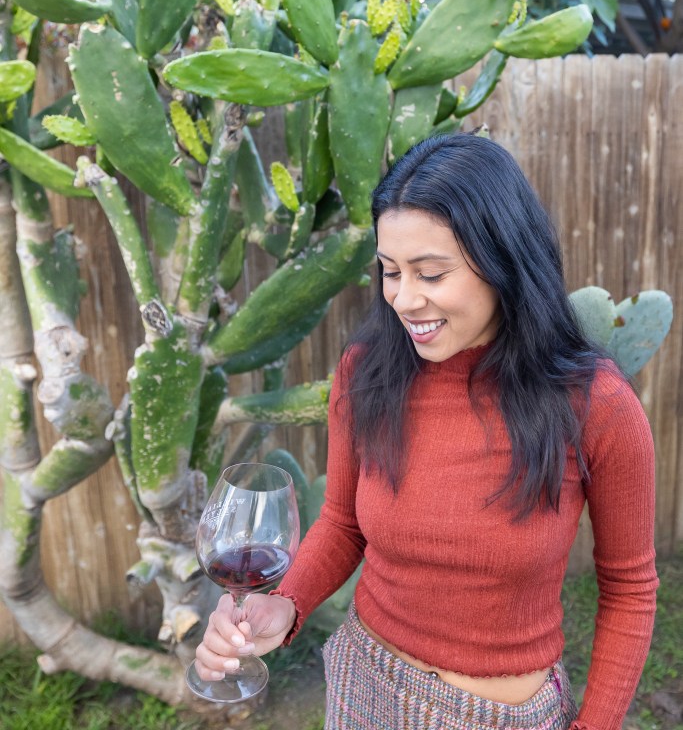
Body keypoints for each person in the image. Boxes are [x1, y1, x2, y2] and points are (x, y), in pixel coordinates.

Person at [195, 133, 658, 730]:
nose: (404, 299)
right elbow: (342, 522)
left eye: (432, 274)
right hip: (363, 684)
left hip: (498, 714)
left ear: (503, 261)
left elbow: (629, 589)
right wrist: (284, 606)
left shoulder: (596, 404)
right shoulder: (368, 372)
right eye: (390, 271)